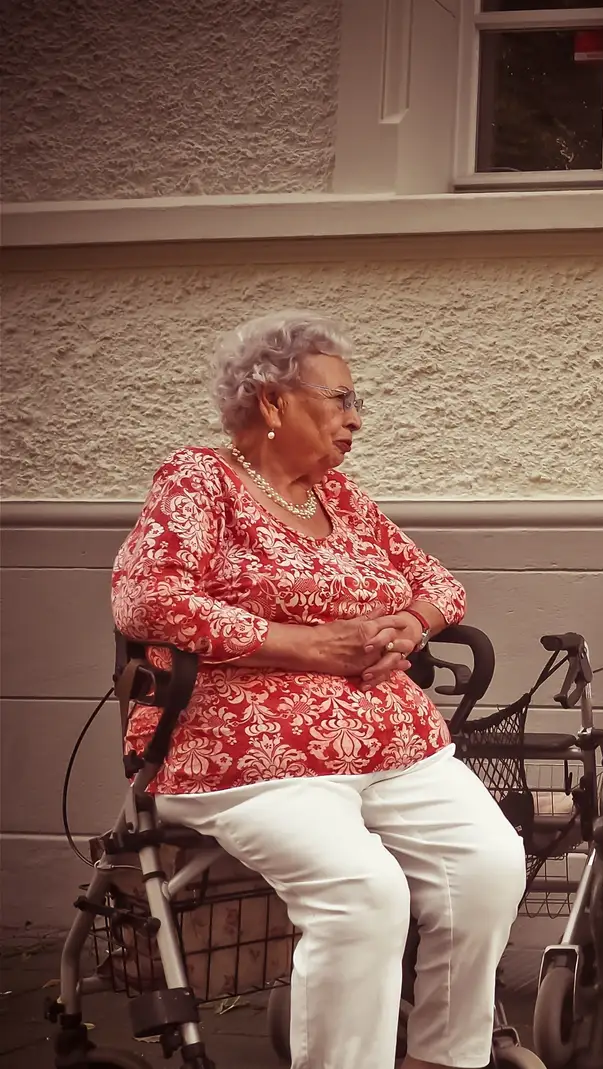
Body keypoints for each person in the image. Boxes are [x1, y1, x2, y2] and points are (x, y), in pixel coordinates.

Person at [110, 310, 525, 1069]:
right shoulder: (201, 481)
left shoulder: (346, 500)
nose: (356, 418)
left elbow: (439, 580)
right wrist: (301, 645)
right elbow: (146, 598)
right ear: (272, 402)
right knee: (366, 894)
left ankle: (443, 1058)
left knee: (491, 864)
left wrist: (411, 621)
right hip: (250, 754)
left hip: (396, 746)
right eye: (340, 398)